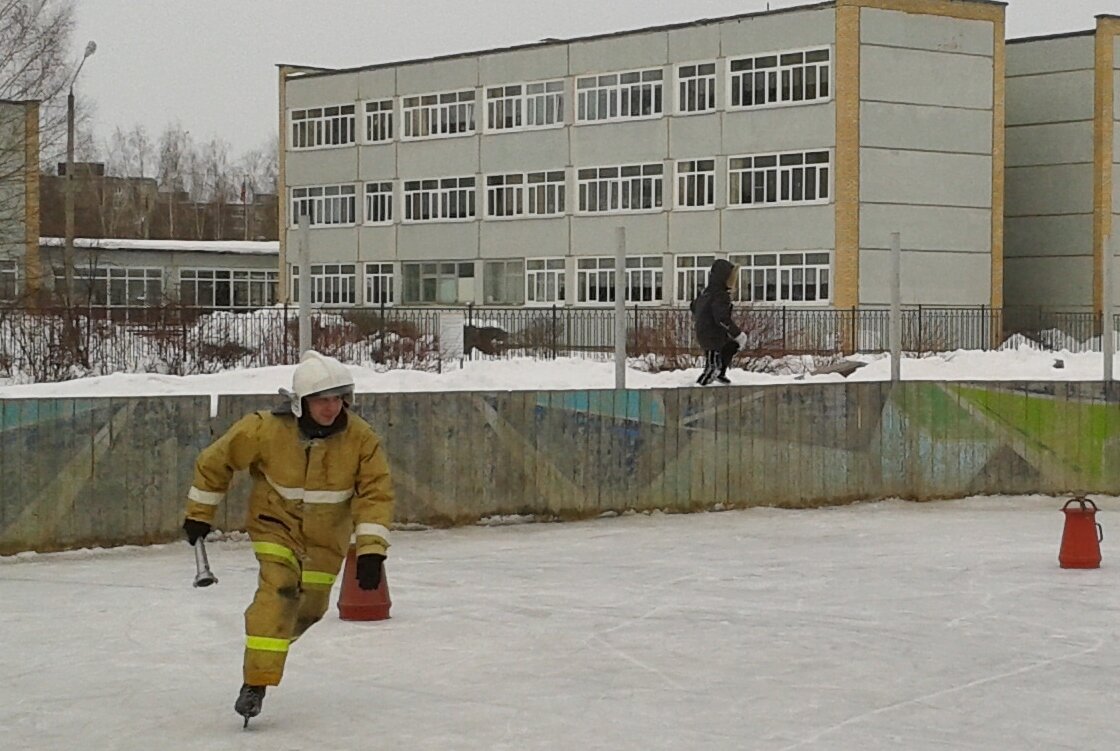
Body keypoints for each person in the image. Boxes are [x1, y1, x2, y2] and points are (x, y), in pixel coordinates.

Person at [182, 349, 394, 724]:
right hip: (274, 525)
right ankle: (255, 684)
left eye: (337, 398)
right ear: (300, 403)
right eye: (321, 400)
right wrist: (199, 515)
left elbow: (375, 493)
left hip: (326, 541)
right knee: (278, 592)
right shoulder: (263, 428)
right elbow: (216, 462)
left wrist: (371, 551)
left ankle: (267, 650)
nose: (331, 408)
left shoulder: (361, 438)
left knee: (310, 609)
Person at [690, 258, 748, 385]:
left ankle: (719, 374)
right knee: (713, 367)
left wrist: (703, 319)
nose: (734, 282)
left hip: (705, 333)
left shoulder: (706, 292)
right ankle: (701, 387)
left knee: (730, 346)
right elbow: (721, 318)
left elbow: (693, 306)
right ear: (724, 278)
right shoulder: (720, 295)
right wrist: (737, 334)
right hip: (713, 336)